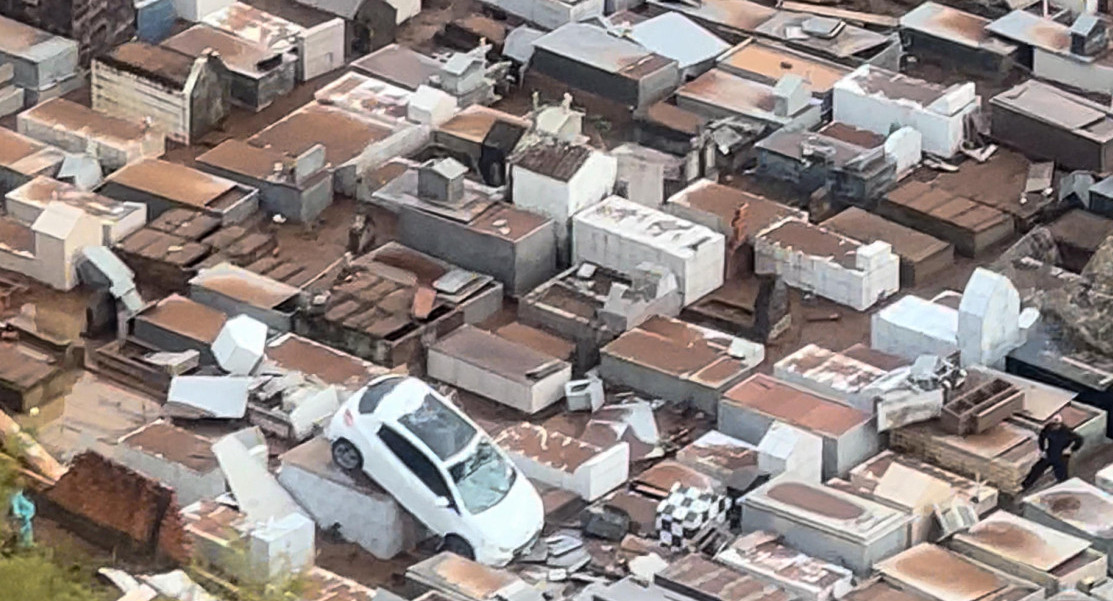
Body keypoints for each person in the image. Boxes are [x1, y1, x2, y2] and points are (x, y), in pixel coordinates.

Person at [1022, 414, 1083, 489]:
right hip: (1050, 453)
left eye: (1056, 425)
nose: (1054, 426)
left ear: (1060, 424)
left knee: (1061, 475)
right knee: (1037, 469)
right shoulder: (1048, 428)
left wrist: (1071, 449)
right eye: (1053, 424)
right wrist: (1042, 449)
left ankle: (1066, 487)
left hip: (1061, 456)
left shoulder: (1067, 432)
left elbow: (1079, 440)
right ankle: (1025, 485)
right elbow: (1042, 437)